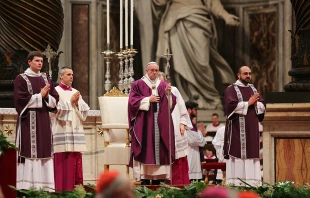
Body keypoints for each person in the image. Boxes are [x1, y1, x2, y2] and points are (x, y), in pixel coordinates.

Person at [153, 0, 239, 109]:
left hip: (197, 17)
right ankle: (186, 98)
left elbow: (212, 1)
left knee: (202, 62)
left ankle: (211, 97)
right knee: (179, 62)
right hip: (175, 18)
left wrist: (225, 15)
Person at [14, 51, 59, 191]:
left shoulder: (46, 79)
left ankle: (45, 188)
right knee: (30, 151)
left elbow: (55, 99)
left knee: (44, 150)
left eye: (41, 61)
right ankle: (27, 187)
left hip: (44, 120)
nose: (40, 63)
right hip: (29, 121)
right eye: (37, 61)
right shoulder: (21, 79)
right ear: (29, 62)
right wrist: (40, 95)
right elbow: (20, 100)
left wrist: (45, 97)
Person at [128, 62, 176, 185]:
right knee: (145, 145)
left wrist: (167, 94)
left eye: (156, 70)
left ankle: (158, 178)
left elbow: (171, 104)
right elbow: (132, 102)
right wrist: (148, 99)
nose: (154, 72)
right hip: (144, 123)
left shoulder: (163, 85)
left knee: (160, 148)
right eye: (152, 70)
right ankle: (144, 177)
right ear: (146, 70)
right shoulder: (138, 84)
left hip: (160, 123)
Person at [223, 66, 266, 186]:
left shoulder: (252, 88)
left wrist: (257, 104)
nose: (248, 76)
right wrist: (248, 103)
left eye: (249, 73)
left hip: (252, 128)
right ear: (238, 75)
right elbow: (230, 106)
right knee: (238, 154)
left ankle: (253, 184)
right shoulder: (231, 89)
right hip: (238, 129)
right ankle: (237, 184)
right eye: (245, 73)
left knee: (251, 153)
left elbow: (262, 105)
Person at [51, 67, 90, 191]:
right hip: (61, 130)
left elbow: (84, 111)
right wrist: (70, 102)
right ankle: (60, 189)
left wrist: (77, 103)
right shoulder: (55, 91)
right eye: (68, 74)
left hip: (75, 130)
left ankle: (75, 190)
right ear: (61, 76)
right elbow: (54, 110)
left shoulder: (75, 91)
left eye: (72, 74)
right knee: (61, 160)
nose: (71, 77)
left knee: (75, 158)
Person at [158, 71, 192, 185]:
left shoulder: (174, 90)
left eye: (163, 83)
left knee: (179, 161)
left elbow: (182, 110)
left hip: (176, 129)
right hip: (161, 132)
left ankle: (180, 185)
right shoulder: (153, 93)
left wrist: (182, 123)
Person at [185, 101, 207, 181]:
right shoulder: (186, 122)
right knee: (189, 178)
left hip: (194, 153)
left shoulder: (190, 122)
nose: (196, 112)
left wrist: (199, 133)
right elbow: (194, 140)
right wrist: (200, 132)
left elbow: (201, 141)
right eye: (195, 109)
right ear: (189, 110)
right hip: (188, 152)